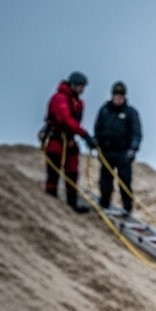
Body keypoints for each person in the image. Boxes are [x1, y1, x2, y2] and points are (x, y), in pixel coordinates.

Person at [40, 71, 97, 213]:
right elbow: (65, 120)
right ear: (73, 85)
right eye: (81, 86)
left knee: (72, 171)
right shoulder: (59, 98)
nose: (82, 90)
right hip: (56, 138)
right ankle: (50, 200)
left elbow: (74, 122)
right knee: (54, 168)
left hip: (70, 140)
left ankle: (72, 203)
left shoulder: (78, 103)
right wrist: (85, 135)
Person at [94, 81, 143, 215]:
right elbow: (97, 129)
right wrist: (96, 144)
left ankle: (127, 208)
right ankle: (104, 203)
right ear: (112, 96)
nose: (118, 98)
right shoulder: (104, 111)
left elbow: (136, 133)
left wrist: (133, 149)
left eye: (121, 96)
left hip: (124, 154)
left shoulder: (131, 113)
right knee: (105, 181)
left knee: (125, 182)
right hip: (107, 152)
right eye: (116, 95)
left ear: (125, 97)